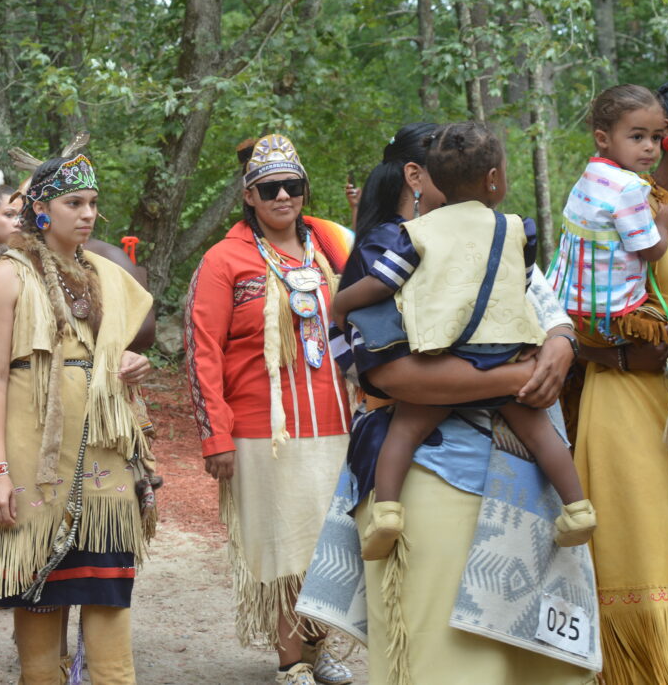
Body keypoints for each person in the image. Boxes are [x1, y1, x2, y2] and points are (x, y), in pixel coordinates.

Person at [297, 123, 595, 685]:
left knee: (526, 658)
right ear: (417, 177)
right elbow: (393, 378)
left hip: (521, 482)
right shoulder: (382, 255)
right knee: (445, 654)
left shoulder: (497, 242)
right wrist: (518, 373)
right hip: (433, 474)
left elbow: (549, 309)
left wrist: (560, 343)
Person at [330, 121, 594, 559]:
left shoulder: (415, 238)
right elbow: (525, 288)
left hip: (446, 352)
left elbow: (380, 285)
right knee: (542, 434)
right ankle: (579, 508)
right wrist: (521, 368)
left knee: (406, 430)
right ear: (493, 178)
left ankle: (387, 513)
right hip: (506, 354)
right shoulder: (514, 229)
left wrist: (341, 304)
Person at [0, 145, 153, 685]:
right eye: (75, 202)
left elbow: (110, 346)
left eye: (94, 202)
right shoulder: (8, 275)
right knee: (40, 603)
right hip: (34, 460)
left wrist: (128, 361)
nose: (89, 213)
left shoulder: (101, 274)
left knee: (108, 596)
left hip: (103, 457)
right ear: (42, 209)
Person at [185, 133, 355, 685]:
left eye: (293, 185)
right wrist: (217, 434)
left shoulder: (329, 246)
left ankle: (317, 642)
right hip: (264, 429)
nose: (284, 196)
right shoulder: (224, 259)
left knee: (326, 541)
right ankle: (291, 659)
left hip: (335, 420)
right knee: (284, 543)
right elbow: (202, 350)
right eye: (270, 188)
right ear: (250, 196)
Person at [573, 75, 668, 684]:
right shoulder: (620, 199)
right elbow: (578, 307)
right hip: (638, 410)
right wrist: (626, 355)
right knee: (653, 571)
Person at [547, 84, 668, 339]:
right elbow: (651, 250)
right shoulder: (629, 187)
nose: (650, 147)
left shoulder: (592, 173)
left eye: (656, 137)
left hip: (568, 302)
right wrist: (665, 225)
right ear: (603, 139)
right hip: (609, 314)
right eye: (637, 137)